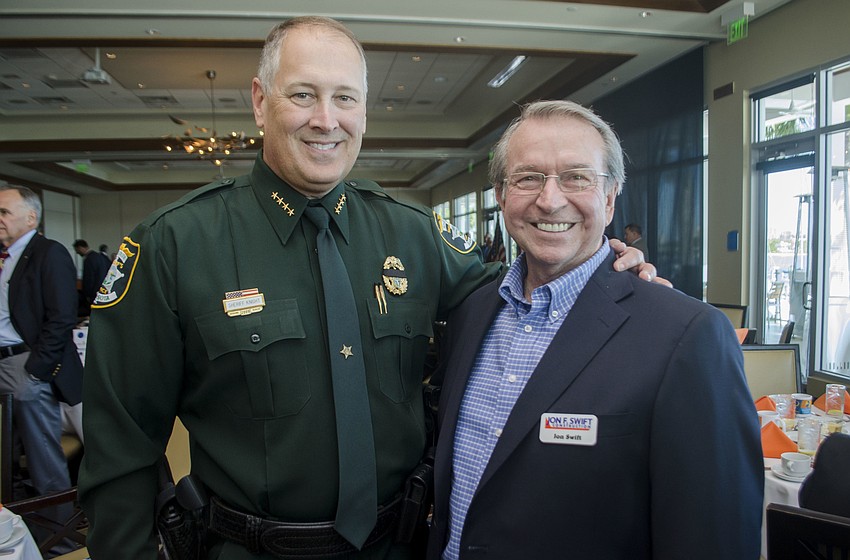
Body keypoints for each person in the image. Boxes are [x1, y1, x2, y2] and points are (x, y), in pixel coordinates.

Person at [78, 18, 657, 560]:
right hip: (245, 547)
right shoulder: (174, 244)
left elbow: (524, 298)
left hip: (397, 543)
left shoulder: (415, 233)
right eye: (302, 94)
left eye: (345, 98)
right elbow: (121, 449)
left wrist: (606, 267)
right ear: (260, 101)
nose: (326, 119)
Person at [426, 100, 764, 560]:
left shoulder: (687, 336)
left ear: (609, 197)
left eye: (576, 177)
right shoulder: (471, 315)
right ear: (502, 196)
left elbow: (712, 539)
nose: (550, 199)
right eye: (528, 177)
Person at [0, 184, 82, 503]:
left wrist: (35, 373)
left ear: (31, 218)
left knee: (43, 458)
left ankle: (59, 540)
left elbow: (62, 317)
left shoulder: (49, 253)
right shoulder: (5, 257)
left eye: (4, 212)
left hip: (25, 364)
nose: (0, 218)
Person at [72, 239, 111, 310]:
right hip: (103, 291)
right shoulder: (99, 257)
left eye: (77, 250)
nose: (77, 253)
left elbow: (89, 279)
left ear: (80, 247)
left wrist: (87, 295)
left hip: (93, 294)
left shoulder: (89, 259)